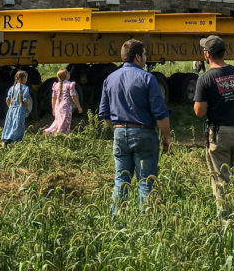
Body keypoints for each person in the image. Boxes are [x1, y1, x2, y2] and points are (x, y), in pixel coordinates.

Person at [97, 39, 171, 210]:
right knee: (146, 182)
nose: (146, 58)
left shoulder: (110, 79)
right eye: (145, 54)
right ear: (138, 57)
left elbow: (104, 113)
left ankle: (116, 222)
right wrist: (166, 136)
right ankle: (146, 223)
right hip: (144, 133)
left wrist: (118, 129)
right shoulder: (148, 78)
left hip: (119, 133)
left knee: (121, 180)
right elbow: (160, 113)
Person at [194, 35, 234, 218]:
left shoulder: (205, 79)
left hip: (220, 133)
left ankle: (226, 223)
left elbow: (199, 111)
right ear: (224, 52)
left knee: (221, 180)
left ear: (207, 54)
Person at [43, 68, 82, 134]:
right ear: (66, 75)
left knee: (58, 123)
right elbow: (73, 96)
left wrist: (53, 109)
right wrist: (79, 107)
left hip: (57, 107)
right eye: (68, 73)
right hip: (66, 107)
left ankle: (50, 132)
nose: (69, 73)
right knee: (64, 125)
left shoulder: (56, 85)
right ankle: (59, 137)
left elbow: (53, 98)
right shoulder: (70, 84)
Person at [1, 70, 32, 145]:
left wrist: (9, 106)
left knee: (10, 124)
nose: (27, 79)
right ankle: (12, 141)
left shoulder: (12, 88)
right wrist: (29, 102)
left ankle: (6, 138)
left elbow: (7, 99)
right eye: (26, 77)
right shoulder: (25, 88)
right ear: (23, 78)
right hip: (19, 109)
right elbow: (25, 100)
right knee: (18, 125)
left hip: (11, 109)